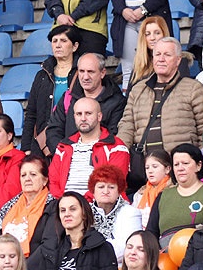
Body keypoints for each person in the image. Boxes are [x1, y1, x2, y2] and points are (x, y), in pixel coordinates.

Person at [117, 37, 203, 160]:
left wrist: (197, 163)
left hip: (180, 166)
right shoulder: (138, 90)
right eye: (158, 54)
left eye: (167, 55)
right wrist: (119, 153)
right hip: (144, 166)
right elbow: (127, 126)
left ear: (178, 60)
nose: (161, 59)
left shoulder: (194, 88)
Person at [49, 98, 130, 198]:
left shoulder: (116, 146)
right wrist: (63, 203)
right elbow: (53, 182)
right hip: (65, 206)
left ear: (99, 116)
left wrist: (81, 205)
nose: (83, 118)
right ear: (74, 117)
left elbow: (112, 184)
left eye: (88, 113)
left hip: (100, 206)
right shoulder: (63, 147)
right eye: (79, 114)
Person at [46, 53, 125, 153]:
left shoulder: (117, 102)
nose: (85, 77)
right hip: (68, 159)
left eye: (90, 72)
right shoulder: (68, 98)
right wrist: (64, 154)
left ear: (102, 73)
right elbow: (53, 131)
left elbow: (113, 135)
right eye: (82, 71)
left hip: (99, 161)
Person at [24, 26, 80, 157]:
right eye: (54, 41)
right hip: (44, 144)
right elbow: (31, 113)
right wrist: (26, 147)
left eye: (63, 41)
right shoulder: (42, 75)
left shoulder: (82, 74)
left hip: (73, 141)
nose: (58, 45)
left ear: (75, 46)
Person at [146, 144, 203, 243]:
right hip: (166, 256)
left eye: (185, 163)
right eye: (176, 164)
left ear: (199, 165)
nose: (180, 168)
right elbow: (151, 233)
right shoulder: (163, 196)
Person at [0, 155, 57, 258]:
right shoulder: (8, 207)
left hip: (34, 269)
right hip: (4, 265)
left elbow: (48, 246)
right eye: (23, 175)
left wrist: (23, 269)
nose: (27, 179)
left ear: (45, 180)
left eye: (33, 174)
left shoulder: (53, 207)